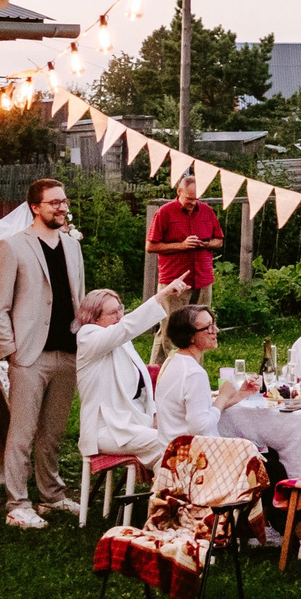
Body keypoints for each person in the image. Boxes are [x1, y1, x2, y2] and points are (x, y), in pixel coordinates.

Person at [0, 177, 84, 531]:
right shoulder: (13, 246)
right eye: (53, 202)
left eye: (63, 201)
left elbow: (80, 297)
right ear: (35, 207)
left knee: (54, 432)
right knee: (22, 432)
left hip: (68, 351)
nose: (61, 207)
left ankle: (52, 496)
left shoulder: (73, 247)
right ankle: (17, 503)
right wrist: (10, 351)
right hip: (29, 355)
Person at [75, 277, 184, 468]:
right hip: (105, 430)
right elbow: (126, 328)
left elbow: (141, 389)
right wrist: (163, 294)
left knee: (180, 441)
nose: (119, 316)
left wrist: (156, 415)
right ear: (94, 318)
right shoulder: (88, 337)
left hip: (132, 424)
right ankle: (171, 493)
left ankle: (167, 492)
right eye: (112, 312)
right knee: (172, 444)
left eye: (120, 309)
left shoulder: (122, 341)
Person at [153, 304, 254, 442]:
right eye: (208, 327)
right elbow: (200, 428)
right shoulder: (193, 373)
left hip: (171, 450)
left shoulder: (172, 360)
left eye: (214, 324)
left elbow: (195, 410)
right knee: (268, 455)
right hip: (193, 457)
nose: (216, 330)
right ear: (190, 336)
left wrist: (239, 395)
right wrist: (222, 397)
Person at [147, 171, 224, 305]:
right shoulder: (164, 213)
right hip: (174, 281)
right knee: (172, 324)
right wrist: (181, 245)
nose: (193, 203)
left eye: (197, 199)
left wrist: (204, 244)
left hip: (203, 279)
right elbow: (151, 246)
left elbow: (219, 241)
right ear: (179, 191)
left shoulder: (207, 211)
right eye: (189, 199)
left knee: (201, 323)